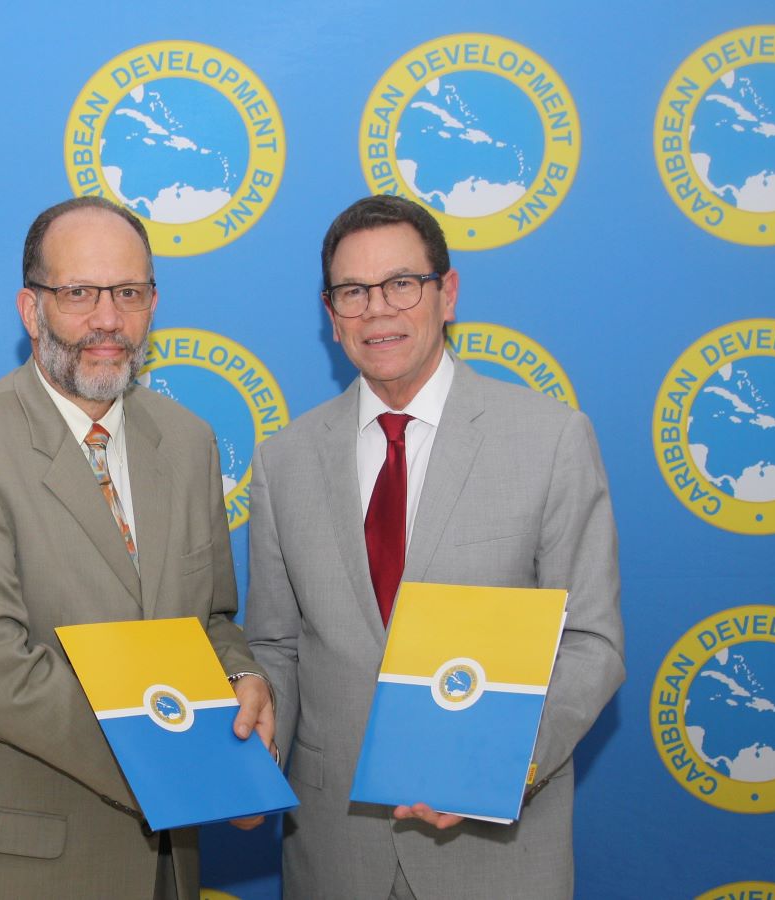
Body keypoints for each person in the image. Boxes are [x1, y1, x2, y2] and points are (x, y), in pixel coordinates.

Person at [245, 194, 624, 899]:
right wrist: (249, 754)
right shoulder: (283, 461)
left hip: (495, 854)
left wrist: (504, 764)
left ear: (446, 293)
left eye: (401, 284)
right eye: (353, 292)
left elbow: (592, 645)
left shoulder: (551, 440)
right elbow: (276, 647)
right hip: (333, 857)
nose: (377, 310)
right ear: (331, 315)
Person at [0, 196, 273, 899]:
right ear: (30, 308)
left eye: (129, 294)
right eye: (78, 293)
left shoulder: (189, 441)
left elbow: (214, 621)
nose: (108, 320)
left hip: (168, 868)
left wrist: (241, 680)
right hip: (23, 871)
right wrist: (196, 771)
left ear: (152, 304)